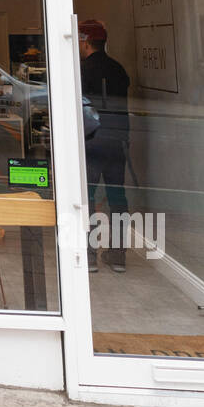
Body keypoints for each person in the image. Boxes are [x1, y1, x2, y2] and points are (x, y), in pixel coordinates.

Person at [78, 18, 131, 273]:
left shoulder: (83, 70)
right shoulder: (119, 70)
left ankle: (89, 255)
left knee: (87, 196)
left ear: (86, 42)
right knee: (117, 196)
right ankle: (118, 255)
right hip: (116, 141)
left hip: (92, 140)